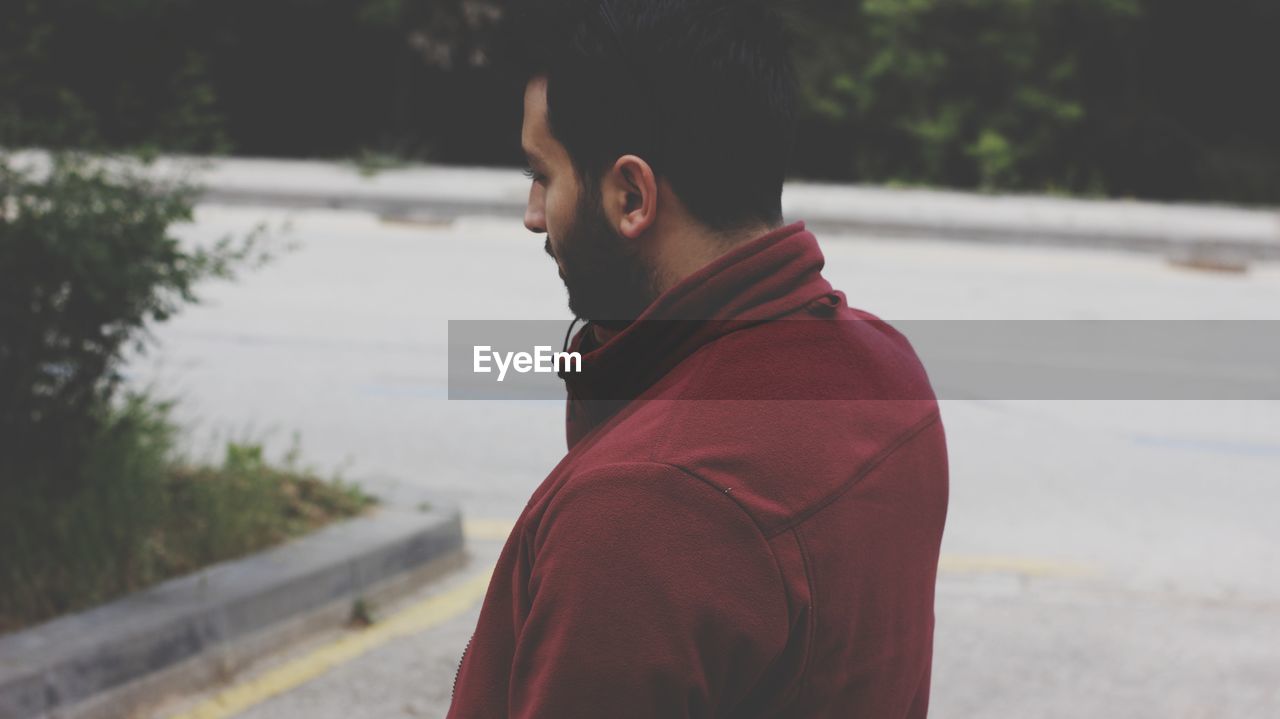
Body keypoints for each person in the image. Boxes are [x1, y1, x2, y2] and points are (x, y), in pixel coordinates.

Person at [448, 1, 949, 716]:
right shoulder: (887, 367)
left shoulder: (643, 507)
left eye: (542, 175)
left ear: (631, 196)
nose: (533, 213)